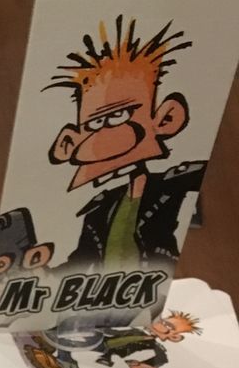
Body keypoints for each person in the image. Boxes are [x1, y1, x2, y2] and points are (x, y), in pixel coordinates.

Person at [46, 16, 203, 271]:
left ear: (167, 118)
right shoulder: (98, 210)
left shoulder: (179, 185)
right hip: (109, 295)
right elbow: (79, 263)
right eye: (95, 124)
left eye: (118, 115)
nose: (100, 138)